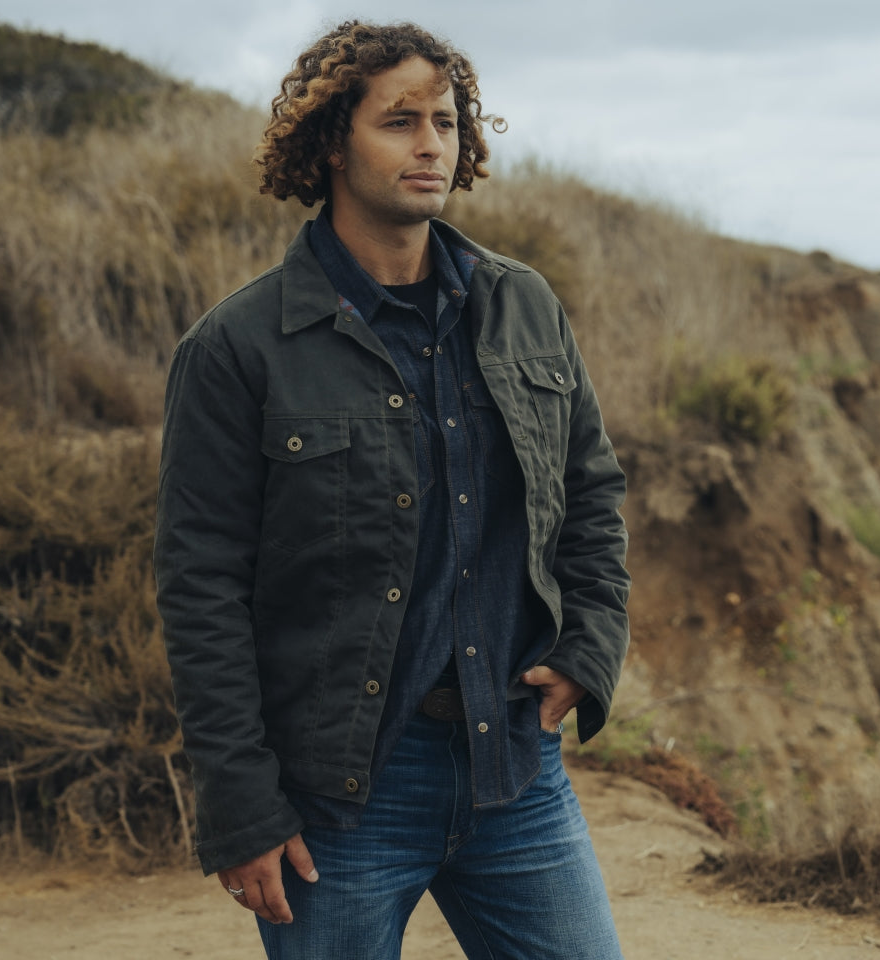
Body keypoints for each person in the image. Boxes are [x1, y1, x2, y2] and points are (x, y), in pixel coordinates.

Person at [154, 20, 630, 960]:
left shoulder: (523, 305)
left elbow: (592, 494)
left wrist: (591, 645)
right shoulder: (240, 346)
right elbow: (201, 585)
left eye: (447, 123)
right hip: (341, 793)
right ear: (333, 141)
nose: (431, 145)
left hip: (515, 767)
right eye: (400, 121)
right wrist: (241, 802)